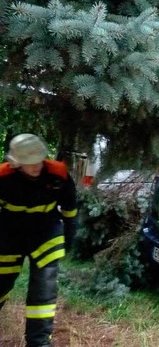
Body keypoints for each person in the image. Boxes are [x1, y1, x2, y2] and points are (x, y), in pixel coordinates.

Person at [0, 134, 77, 347]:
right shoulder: (2, 176)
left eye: (38, 161)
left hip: (46, 235)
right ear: (16, 163)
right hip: (9, 234)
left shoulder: (57, 174)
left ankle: (39, 342)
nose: (35, 167)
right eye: (29, 164)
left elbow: (70, 210)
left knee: (43, 293)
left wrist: (69, 240)